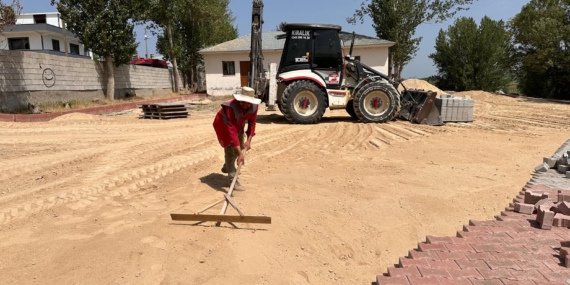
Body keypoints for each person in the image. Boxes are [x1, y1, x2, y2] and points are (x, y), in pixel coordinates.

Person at [212, 86, 261, 190]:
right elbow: (232, 132)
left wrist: (248, 141)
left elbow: (252, 124)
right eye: (243, 102)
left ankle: (227, 166)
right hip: (223, 125)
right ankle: (232, 180)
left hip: (238, 124)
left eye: (248, 102)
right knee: (231, 150)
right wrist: (240, 154)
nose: (245, 104)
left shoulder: (254, 107)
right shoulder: (231, 108)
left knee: (238, 147)